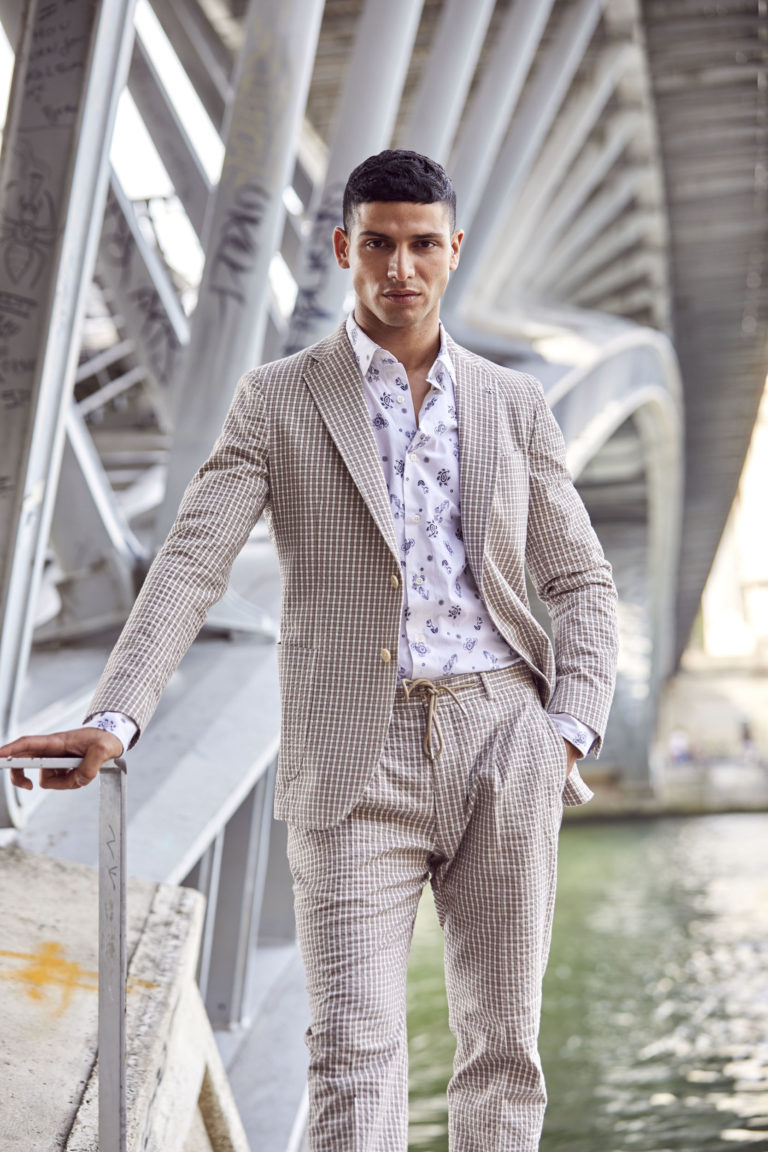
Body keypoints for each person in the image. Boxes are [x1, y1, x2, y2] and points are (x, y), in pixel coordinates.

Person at [1, 150, 618, 1151]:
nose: (401, 268)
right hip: (349, 757)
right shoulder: (278, 399)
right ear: (343, 248)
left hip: (504, 739)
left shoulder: (513, 405)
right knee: (352, 1053)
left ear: (454, 250)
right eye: (379, 244)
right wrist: (116, 714)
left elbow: (582, 581)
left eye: (423, 245)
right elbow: (192, 563)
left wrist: (567, 732)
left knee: (504, 1051)